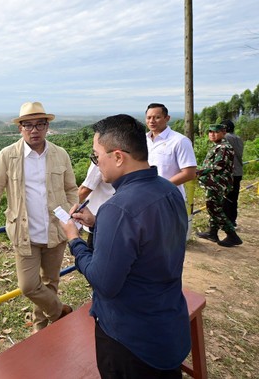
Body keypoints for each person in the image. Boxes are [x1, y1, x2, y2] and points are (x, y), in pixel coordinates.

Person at [60, 114, 191, 378]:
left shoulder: (118, 208)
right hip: (167, 325)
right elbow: (148, 243)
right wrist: (98, 224)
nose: (96, 164)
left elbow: (104, 282)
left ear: (118, 157)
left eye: (97, 157)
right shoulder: (168, 190)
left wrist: (74, 240)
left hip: (130, 339)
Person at [0, 101, 76, 333]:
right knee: (29, 286)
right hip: (23, 233)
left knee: (50, 283)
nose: (34, 130)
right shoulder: (8, 155)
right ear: (20, 129)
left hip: (55, 232)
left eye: (40, 124)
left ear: (47, 127)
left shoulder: (60, 154)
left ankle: (41, 329)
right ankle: (60, 312)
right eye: (28, 125)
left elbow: (71, 188)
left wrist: (71, 213)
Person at [196, 124, 242, 247]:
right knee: (213, 207)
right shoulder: (217, 146)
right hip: (213, 182)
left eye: (215, 132)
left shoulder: (224, 147)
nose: (212, 134)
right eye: (210, 132)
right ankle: (212, 232)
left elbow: (219, 165)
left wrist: (198, 172)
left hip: (217, 183)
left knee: (214, 208)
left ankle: (232, 235)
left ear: (223, 132)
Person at [145, 103, 197, 200]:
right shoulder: (143, 140)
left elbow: (189, 173)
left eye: (157, 117)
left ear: (167, 118)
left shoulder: (180, 141)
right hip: (146, 197)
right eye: (148, 118)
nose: (151, 121)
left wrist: (161, 187)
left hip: (170, 198)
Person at [77, 162, 115, 249]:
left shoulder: (102, 156)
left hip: (96, 222)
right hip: (117, 222)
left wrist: (66, 209)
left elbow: (85, 189)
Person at [221, 119, 244, 227]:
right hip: (238, 171)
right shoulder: (238, 138)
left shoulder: (226, 138)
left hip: (229, 173)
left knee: (226, 198)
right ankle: (232, 220)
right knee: (234, 198)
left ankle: (226, 222)